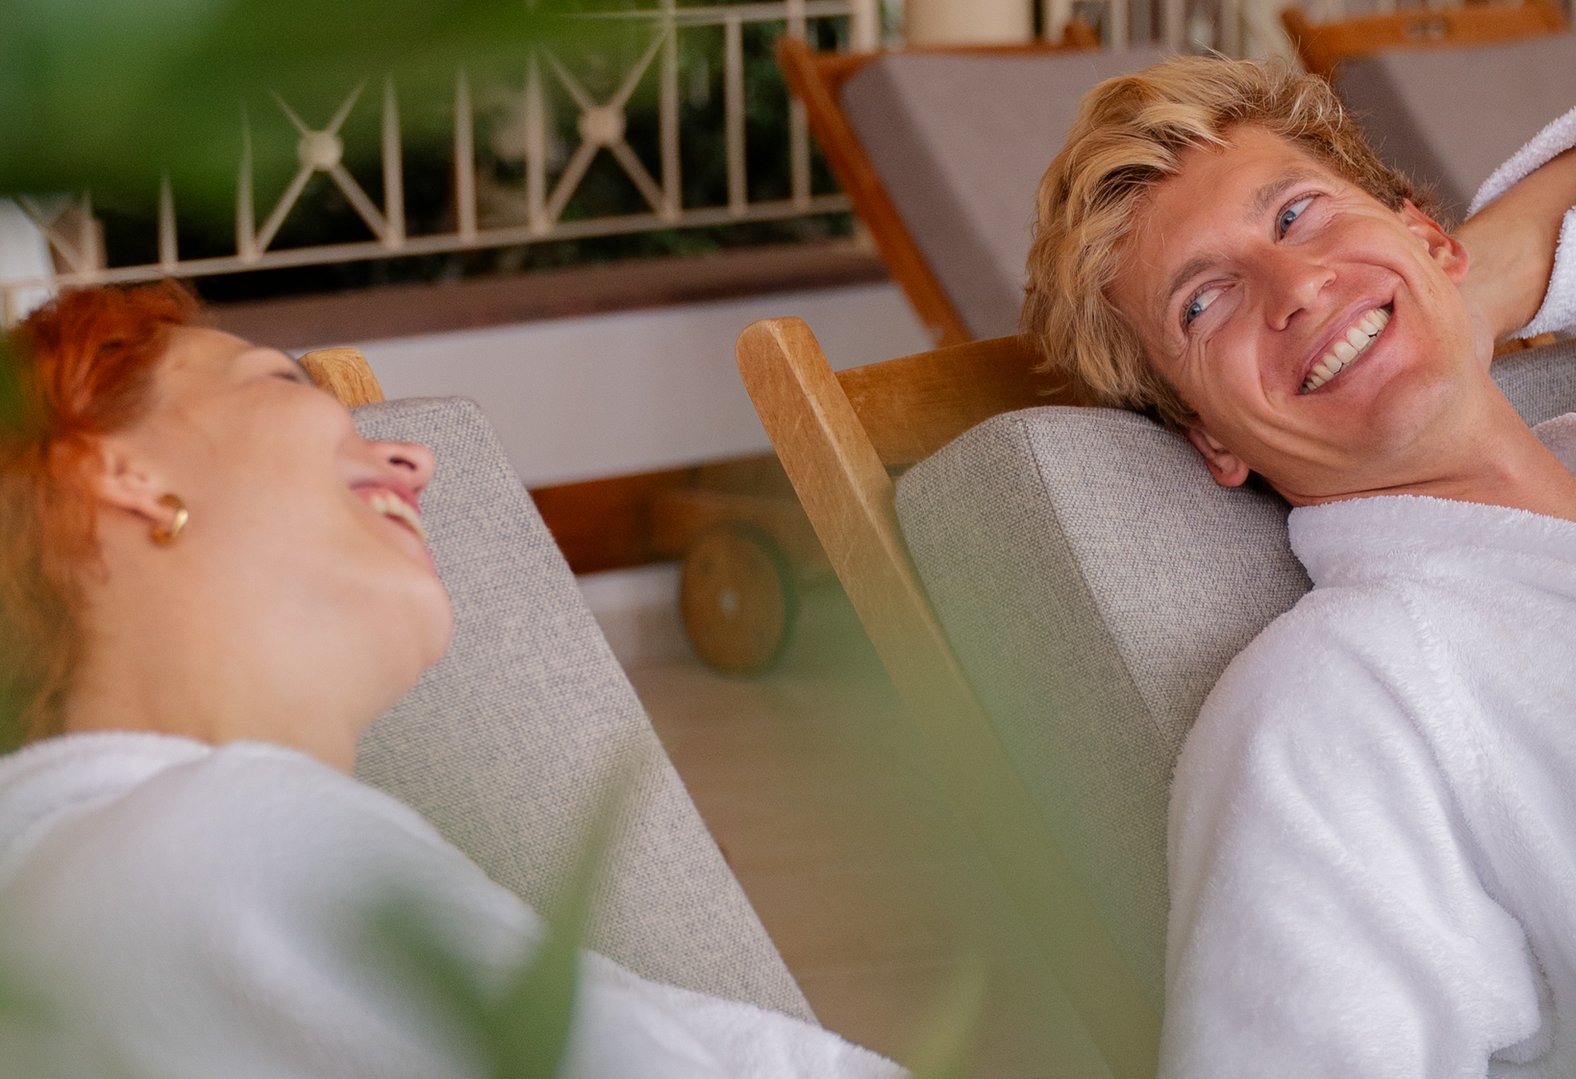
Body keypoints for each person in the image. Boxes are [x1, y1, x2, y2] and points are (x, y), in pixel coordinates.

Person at [1025, 55, 1576, 1078]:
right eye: (1204, 304)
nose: (1297, 286)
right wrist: (1383, 296)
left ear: (1430, 231)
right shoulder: (1344, 691)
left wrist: (1427, 294)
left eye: (1299, 216)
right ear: (1212, 442)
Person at [0, 284, 903, 1078]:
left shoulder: (75, 881)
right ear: (109, 468)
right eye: (281, 381)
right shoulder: (230, 839)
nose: (415, 459)